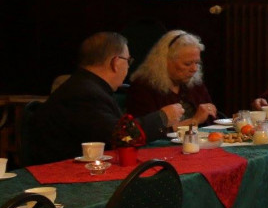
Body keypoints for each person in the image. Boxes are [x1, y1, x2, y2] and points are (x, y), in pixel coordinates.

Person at [28, 32, 183, 165]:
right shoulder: (86, 93)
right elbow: (121, 137)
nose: (128, 67)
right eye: (128, 61)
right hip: (60, 176)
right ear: (116, 63)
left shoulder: (86, 85)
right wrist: (162, 118)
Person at [127, 30, 218, 127]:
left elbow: (212, 121)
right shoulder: (143, 87)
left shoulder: (195, 84)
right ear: (165, 61)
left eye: (197, 63)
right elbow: (145, 132)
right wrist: (194, 121)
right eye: (187, 64)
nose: (194, 69)